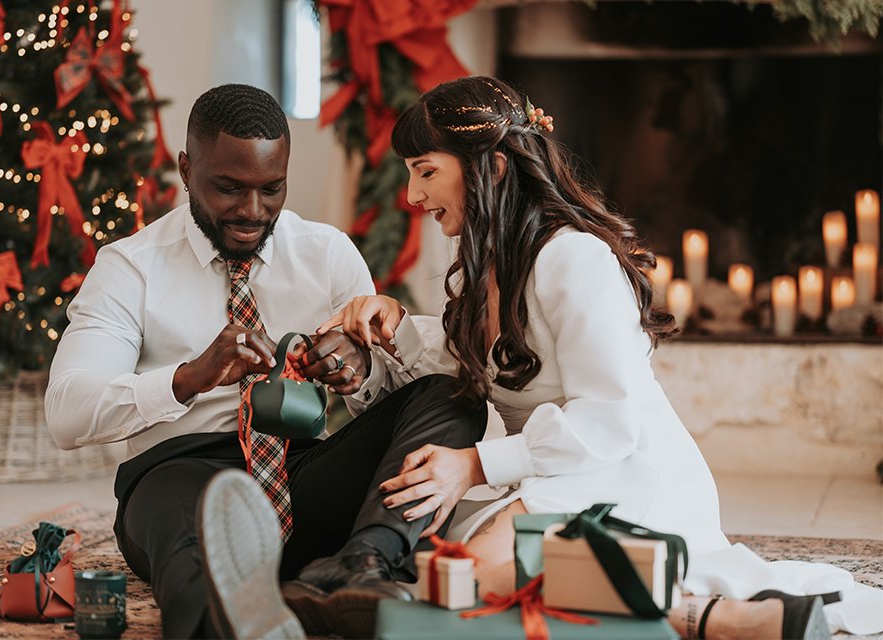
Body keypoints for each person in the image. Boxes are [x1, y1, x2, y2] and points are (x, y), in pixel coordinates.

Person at [320, 76, 883, 639]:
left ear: (488, 168)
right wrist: (390, 326)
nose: (412, 197)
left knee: (476, 577)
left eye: (425, 171)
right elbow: (470, 359)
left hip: (621, 467)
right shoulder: (482, 269)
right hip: (550, 470)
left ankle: (710, 619)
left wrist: (472, 465)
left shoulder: (573, 258)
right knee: (437, 574)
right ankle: (705, 619)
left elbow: (609, 420)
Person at [45, 84, 486, 639]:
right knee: (193, 550)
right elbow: (65, 414)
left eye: (271, 189)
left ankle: (364, 564)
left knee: (449, 394)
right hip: (179, 473)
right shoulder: (130, 268)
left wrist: (360, 369)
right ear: (186, 169)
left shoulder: (326, 253)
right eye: (228, 189)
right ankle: (229, 625)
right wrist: (189, 378)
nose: (252, 212)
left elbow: (391, 399)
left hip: (301, 474)